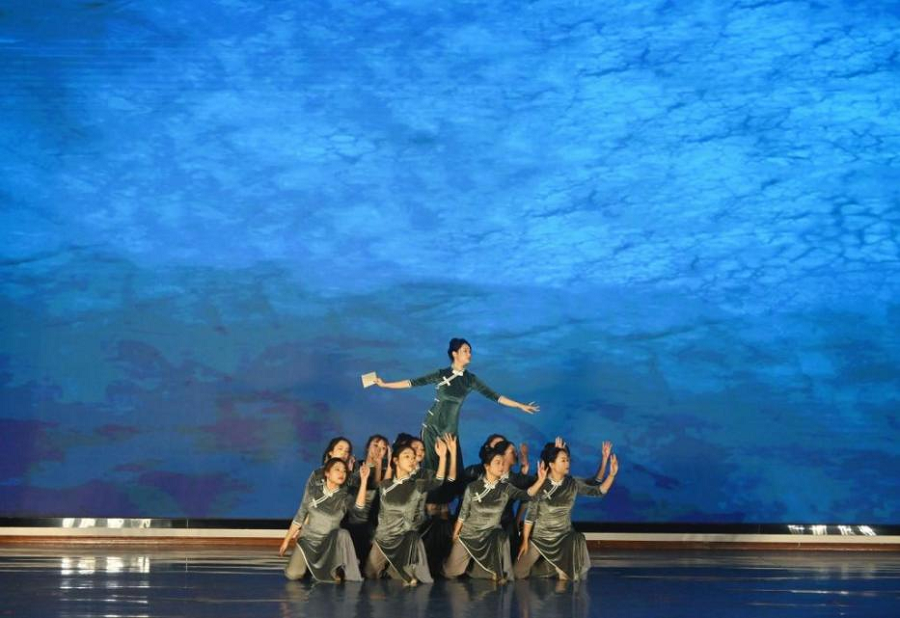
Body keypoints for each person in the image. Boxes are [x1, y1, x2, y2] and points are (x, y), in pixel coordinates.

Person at [374, 338, 539, 506]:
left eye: (470, 351)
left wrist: (519, 405)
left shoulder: (470, 379)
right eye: (465, 350)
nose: (469, 354)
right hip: (432, 427)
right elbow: (412, 382)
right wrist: (385, 384)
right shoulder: (441, 374)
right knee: (430, 470)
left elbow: (495, 396)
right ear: (455, 354)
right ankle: (423, 507)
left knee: (453, 473)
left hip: (450, 430)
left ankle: (444, 510)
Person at [443, 444, 547, 583]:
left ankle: (499, 572)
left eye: (503, 463)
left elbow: (526, 494)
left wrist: (540, 481)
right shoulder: (473, 487)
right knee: (450, 572)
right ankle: (471, 570)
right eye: (497, 462)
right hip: (469, 534)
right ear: (487, 466)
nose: (501, 466)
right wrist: (456, 532)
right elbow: (463, 513)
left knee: (500, 535)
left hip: (491, 533)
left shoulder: (506, 488)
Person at [515, 441, 618, 581]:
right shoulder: (540, 484)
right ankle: (548, 567)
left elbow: (598, 491)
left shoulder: (572, 483)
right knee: (518, 573)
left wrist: (611, 475)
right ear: (552, 464)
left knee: (574, 547)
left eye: (568, 460)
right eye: (563, 460)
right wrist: (525, 541)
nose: (567, 463)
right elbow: (530, 516)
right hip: (540, 538)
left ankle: (561, 570)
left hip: (564, 537)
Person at [365, 435, 458, 585]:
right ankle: (391, 568)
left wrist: (443, 456)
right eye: (407, 456)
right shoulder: (385, 485)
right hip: (384, 537)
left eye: (414, 457)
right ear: (396, 460)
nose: (412, 459)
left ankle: (404, 568)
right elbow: (380, 510)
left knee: (402, 574)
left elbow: (439, 481)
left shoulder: (418, 483)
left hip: (406, 534)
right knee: (369, 573)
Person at [280, 458, 372, 582]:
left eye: (344, 471)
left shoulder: (345, 496)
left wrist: (364, 480)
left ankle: (335, 568)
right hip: (308, 541)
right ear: (327, 473)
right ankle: (312, 569)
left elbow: (359, 508)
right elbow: (299, 517)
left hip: (329, 544)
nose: (342, 473)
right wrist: (286, 541)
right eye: (337, 469)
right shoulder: (313, 491)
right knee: (293, 574)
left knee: (342, 534)